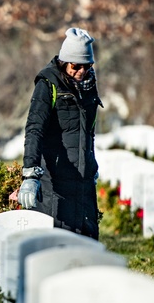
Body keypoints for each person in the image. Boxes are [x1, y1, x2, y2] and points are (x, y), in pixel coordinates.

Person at [17, 27, 103, 239]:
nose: (81, 71)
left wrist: (92, 166)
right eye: (76, 66)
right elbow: (34, 129)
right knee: (56, 245)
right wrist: (30, 173)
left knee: (86, 244)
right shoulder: (48, 84)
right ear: (65, 62)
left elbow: (87, 133)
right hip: (54, 181)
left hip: (82, 180)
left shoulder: (89, 86)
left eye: (87, 66)